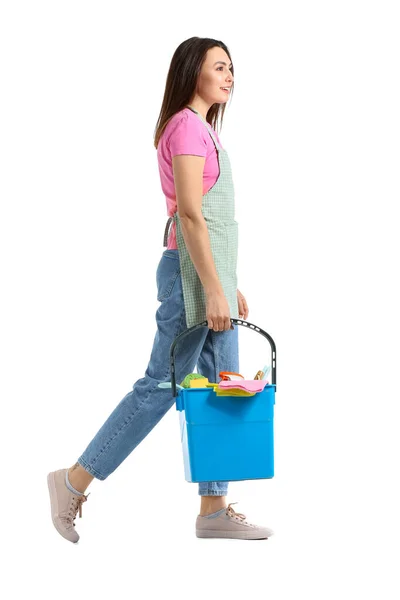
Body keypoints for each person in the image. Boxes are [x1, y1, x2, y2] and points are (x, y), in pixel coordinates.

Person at [47, 36, 274, 543]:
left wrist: (229, 285)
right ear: (193, 70)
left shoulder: (204, 130)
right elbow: (191, 214)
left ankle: (214, 507)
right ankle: (72, 481)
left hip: (210, 274)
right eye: (220, 66)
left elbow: (210, 220)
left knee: (225, 383)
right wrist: (214, 288)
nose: (231, 75)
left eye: (233, 68)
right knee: (161, 385)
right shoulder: (186, 128)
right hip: (190, 277)